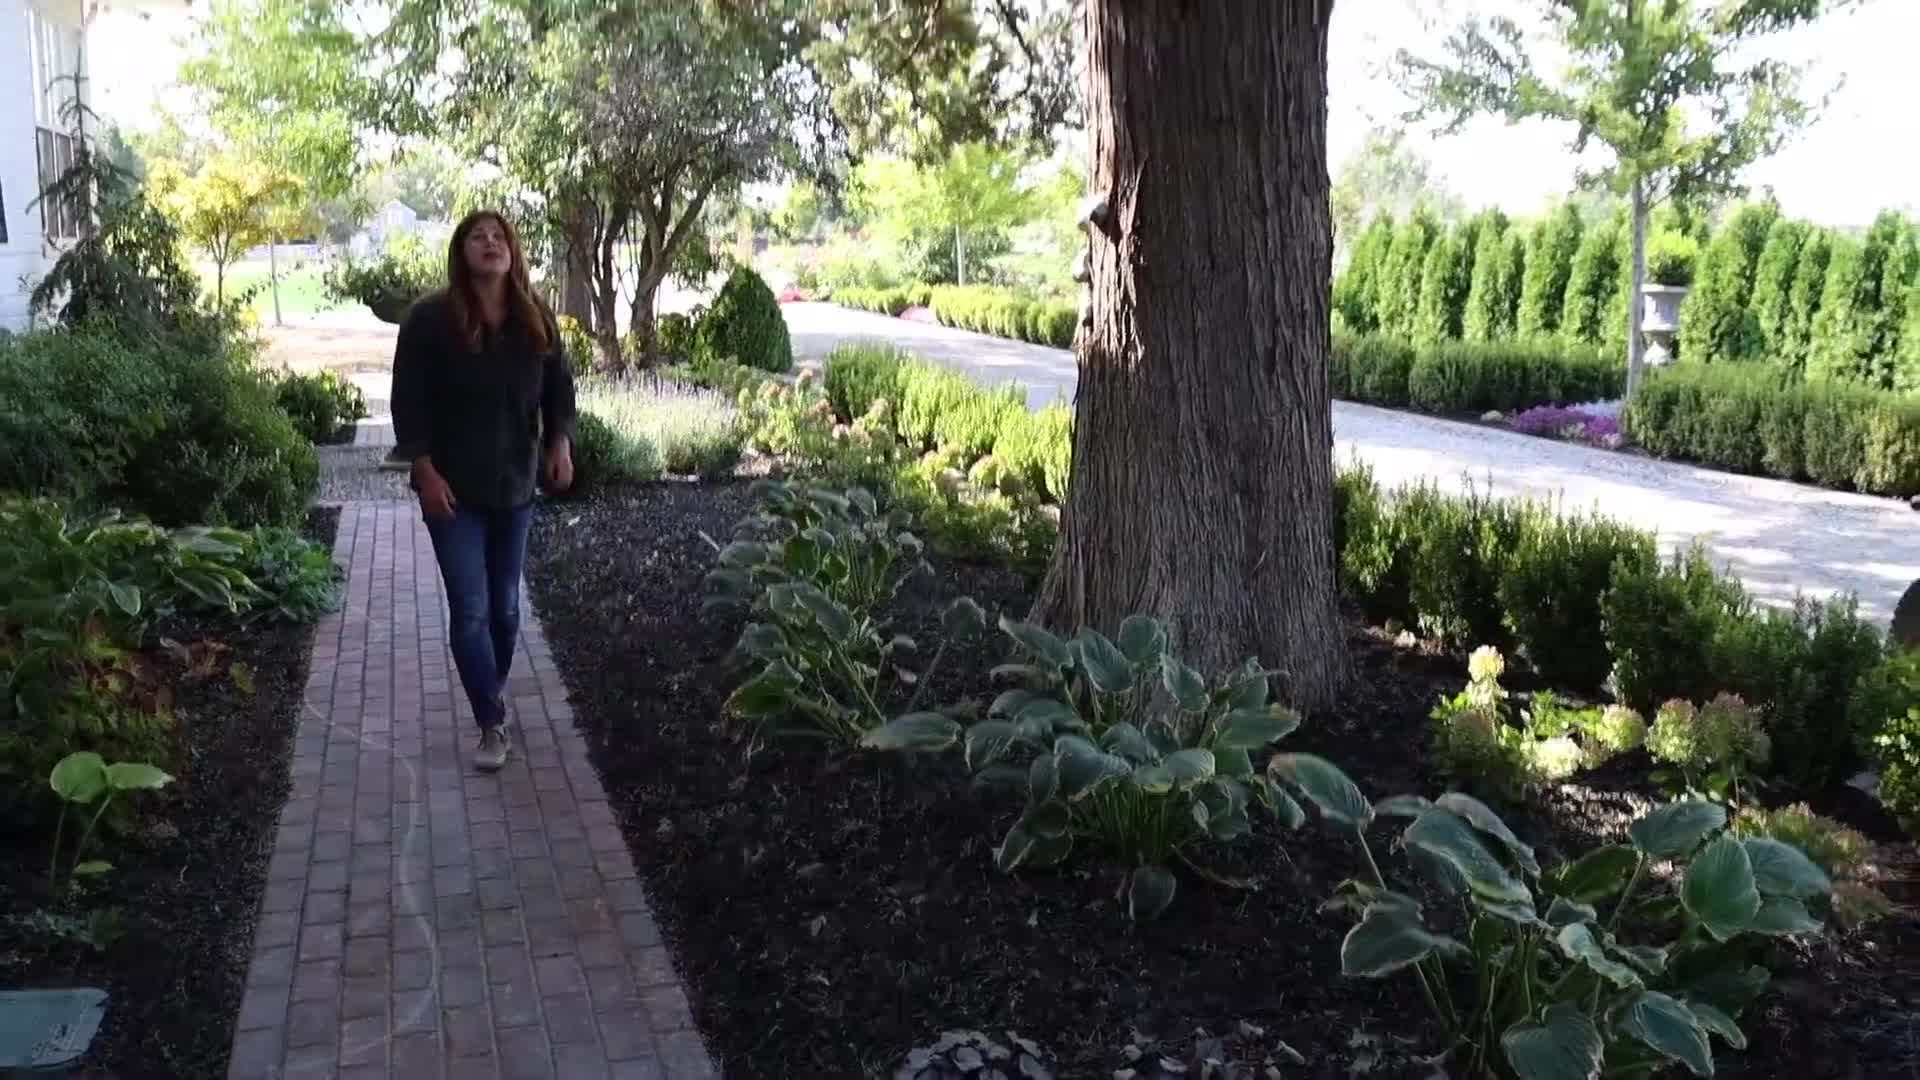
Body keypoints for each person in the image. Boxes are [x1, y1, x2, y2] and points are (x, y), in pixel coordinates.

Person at [391, 210, 577, 772]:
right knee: (470, 610)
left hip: (515, 486)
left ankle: (488, 692)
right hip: (452, 490)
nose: (491, 244)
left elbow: (559, 388)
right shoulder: (428, 319)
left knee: (506, 610)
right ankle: (491, 721)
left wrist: (559, 442)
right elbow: (408, 400)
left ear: (513, 251)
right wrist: (423, 469)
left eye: (499, 237)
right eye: (479, 236)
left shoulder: (534, 316)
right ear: (462, 251)